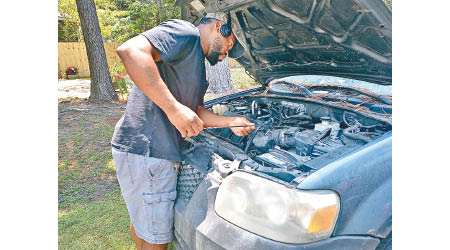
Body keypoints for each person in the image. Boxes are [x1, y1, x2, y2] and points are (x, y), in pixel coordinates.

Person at [111, 12, 255, 250]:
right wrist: (173, 109)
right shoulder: (185, 33)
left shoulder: (197, 66)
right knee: (157, 238)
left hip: (143, 149)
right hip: (149, 149)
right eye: (231, 46)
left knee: (144, 222)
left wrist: (231, 121)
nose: (227, 54)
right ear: (221, 28)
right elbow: (131, 51)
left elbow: (195, 112)